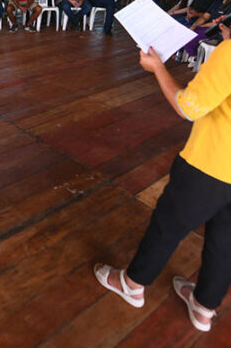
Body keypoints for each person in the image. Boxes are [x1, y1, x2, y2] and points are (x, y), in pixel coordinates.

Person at [94, 28, 231, 334]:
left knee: (168, 226)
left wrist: (157, 68)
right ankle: (204, 306)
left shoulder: (229, 53)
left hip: (211, 165)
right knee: (226, 243)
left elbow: (188, 107)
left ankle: (132, 284)